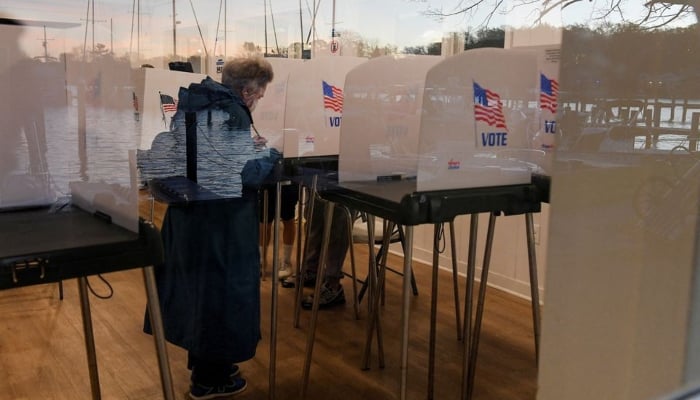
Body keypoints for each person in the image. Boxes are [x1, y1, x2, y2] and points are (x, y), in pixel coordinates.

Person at [143, 56, 275, 400]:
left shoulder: (197, 102)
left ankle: (208, 367)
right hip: (222, 224)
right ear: (247, 90)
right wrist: (272, 157)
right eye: (259, 94)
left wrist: (245, 148)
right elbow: (242, 176)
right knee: (222, 298)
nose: (259, 100)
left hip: (190, 218)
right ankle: (210, 380)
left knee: (201, 296)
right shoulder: (229, 112)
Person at [282, 192, 351, 309]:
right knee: (313, 219)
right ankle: (311, 271)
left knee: (337, 224)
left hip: (347, 183)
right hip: (320, 179)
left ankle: (333, 285)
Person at [259, 182, 299, 279]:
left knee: (288, 219)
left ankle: (286, 262)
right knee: (264, 223)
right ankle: (260, 261)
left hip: (289, 181)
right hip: (267, 180)